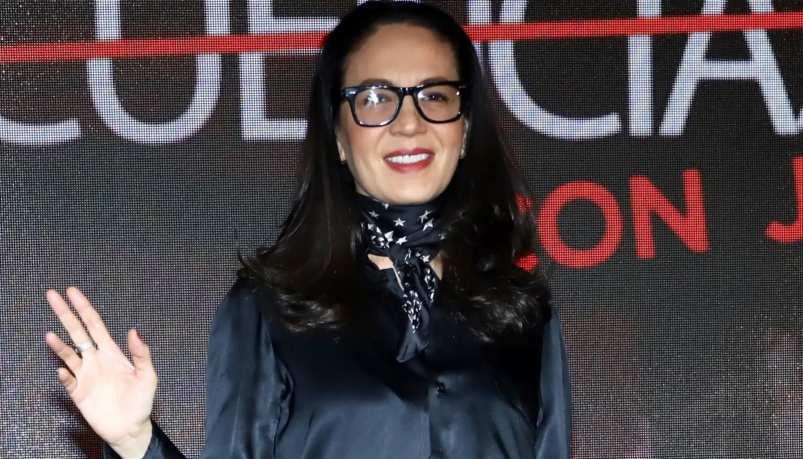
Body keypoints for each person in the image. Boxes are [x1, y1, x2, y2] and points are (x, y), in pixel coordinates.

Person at [44, 2, 571, 458]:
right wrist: (135, 441)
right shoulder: (271, 305)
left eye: (435, 95)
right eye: (375, 99)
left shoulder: (521, 310)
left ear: (465, 126)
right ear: (338, 136)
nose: (409, 122)